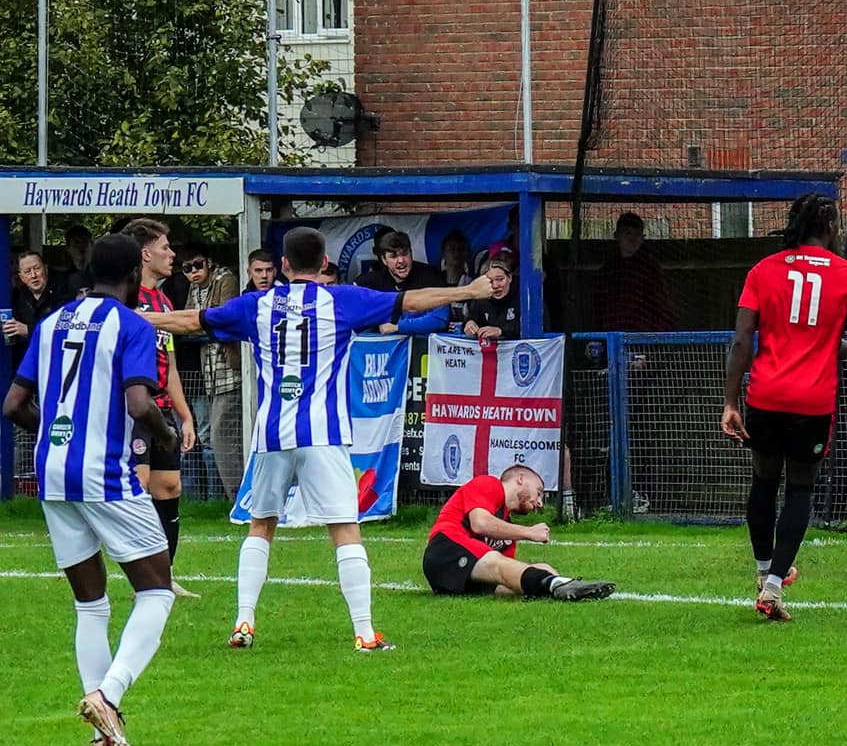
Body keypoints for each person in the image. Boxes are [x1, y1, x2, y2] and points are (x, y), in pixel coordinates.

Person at [140, 226, 492, 651]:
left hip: (272, 432)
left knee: (260, 526)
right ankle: (364, 633)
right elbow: (411, 300)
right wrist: (468, 289)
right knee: (345, 529)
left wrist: (139, 318)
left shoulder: (257, 305)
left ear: (284, 266)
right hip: (322, 433)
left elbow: (190, 321)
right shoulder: (340, 300)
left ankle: (243, 622)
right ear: (324, 263)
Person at [2, 231, 180, 746]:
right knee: (156, 590)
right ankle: (109, 693)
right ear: (132, 277)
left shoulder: (51, 322)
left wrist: (54, 433)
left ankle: (106, 730)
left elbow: (13, 404)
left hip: (52, 470)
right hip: (104, 472)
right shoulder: (132, 324)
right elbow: (139, 403)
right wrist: (167, 436)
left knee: (91, 604)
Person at [721, 194, 847, 620]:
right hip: (812, 401)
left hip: (765, 396)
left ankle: (763, 568)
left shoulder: (763, 271)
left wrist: (731, 401)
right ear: (829, 226)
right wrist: (827, 347)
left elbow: (741, 341)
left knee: (764, 480)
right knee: (801, 488)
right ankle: (773, 587)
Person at [125, 219, 200, 599]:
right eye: (165, 248)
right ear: (145, 254)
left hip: (163, 409)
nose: (172, 255)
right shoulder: (123, 298)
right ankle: (140, 573)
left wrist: (185, 416)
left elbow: (168, 366)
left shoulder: (164, 303)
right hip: (132, 408)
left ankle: (165, 573)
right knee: (137, 486)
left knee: (169, 486)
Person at [421, 465, 614, 599]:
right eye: (538, 493)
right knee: (497, 563)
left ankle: (555, 585)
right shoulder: (488, 484)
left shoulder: (505, 531)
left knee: (542, 568)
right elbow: (480, 523)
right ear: (520, 479)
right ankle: (558, 585)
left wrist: (537, 580)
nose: (539, 503)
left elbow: (502, 582)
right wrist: (529, 532)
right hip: (444, 550)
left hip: (459, 579)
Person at [191, 262, 245, 499]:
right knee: (217, 437)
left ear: (209, 263)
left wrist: (206, 323)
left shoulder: (226, 279)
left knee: (223, 436)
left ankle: (239, 497)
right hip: (210, 375)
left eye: (197, 264)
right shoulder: (194, 289)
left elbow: (225, 318)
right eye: (186, 267)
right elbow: (190, 324)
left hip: (231, 374)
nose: (193, 271)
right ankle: (236, 498)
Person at [601, 212, 677, 332]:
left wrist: (654, 338)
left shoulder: (649, 268)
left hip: (642, 336)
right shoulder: (610, 268)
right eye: (627, 233)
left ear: (642, 238)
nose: (632, 239)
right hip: (614, 333)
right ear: (617, 236)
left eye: (637, 234)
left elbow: (663, 306)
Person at [7, 249, 66, 371]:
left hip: (55, 363)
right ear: (21, 277)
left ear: (46, 269)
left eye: (37, 268)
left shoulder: (62, 294)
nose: (33, 275)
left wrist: (29, 330)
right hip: (27, 364)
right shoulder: (17, 297)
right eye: (27, 272)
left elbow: (63, 329)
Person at [353, 227, 447, 293]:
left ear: (411, 253)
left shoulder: (430, 276)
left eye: (405, 254)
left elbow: (442, 313)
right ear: (384, 259)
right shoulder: (369, 282)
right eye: (393, 256)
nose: (401, 260)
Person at [462, 251, 519, 341]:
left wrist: (501, 331)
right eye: (490, 281)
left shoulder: (522, 295)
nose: (495, 285)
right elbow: (471, 316)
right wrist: (469, 323)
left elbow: (534, 325)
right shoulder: (481, 297)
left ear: (510, 278)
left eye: (500, 279)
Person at [56, 224, 93, 298]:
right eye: (77, 242)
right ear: (68, 249)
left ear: (92, 245)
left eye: (85, 241)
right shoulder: (60, 278)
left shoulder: (101, 275)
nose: (81, 246)